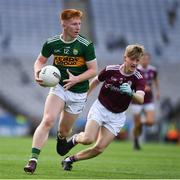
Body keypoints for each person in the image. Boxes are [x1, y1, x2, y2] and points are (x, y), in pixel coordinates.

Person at [24, 9, 98, 174]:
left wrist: (76, 79)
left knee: (63, 131)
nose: (78, 27)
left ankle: (63, 138)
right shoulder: (52, 43)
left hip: (78, 92)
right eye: (74, 23)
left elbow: (94, 71)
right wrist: (38, 72)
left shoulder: (85, 45)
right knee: (48, 120)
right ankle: (33, 159)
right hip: (58, 88)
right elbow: (40, 61)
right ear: (63, 24)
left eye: (79, 23)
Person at [60, 44, 146, 171]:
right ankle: (75, 139)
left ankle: (70, 159)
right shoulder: (111, 70)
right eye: (132, 59)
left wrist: (131, 93)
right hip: (100, 108)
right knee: (88, 139)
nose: (134, 63)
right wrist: (84, 97)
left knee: (99, 148)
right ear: (125, 58)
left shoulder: (139, 78)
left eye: (137, 60)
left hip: (117, 116)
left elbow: (141, 99)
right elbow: (95, 81)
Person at [131, 53, 160, 150]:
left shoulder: (153, 70)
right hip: (137, 100)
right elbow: (132, 83)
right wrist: (142, 87)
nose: (145, 61)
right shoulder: (136, 70)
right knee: (137, 124)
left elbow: (155, 80)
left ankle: (141, 122)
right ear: (140, 60)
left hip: (148, 99)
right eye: (143, 59)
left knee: (150, 122)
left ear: (149, 60)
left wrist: (158, 91)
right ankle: (136, 141)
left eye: (147, 59)